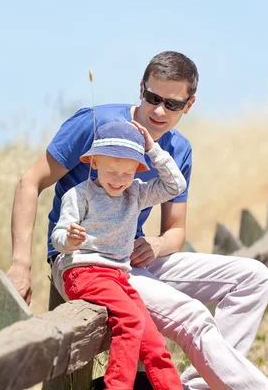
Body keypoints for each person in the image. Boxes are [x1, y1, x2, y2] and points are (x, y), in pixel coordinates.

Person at [5, 51, 268, 389]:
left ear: (189, 105)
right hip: (83, 262)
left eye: (172, 104)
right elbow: (30, 182)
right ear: (141, 88)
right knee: (191, 315)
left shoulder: (178, 150)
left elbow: (175, 231)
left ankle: (202, 385)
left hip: (130, 258)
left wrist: (155, 245)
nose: (159, 110)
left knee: (255, 277)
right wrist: (20, 264)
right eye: (152, 97)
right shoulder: (94, 124)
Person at [51, 119, 184, 389]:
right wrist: (70, 239)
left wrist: (152, 148)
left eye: (126, 173)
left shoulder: (135, 192)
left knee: (154, 342)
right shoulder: (78, 196)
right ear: (94, 162)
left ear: (136, 169)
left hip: (119, 278)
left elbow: (175, 185)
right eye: (112, 171)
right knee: (131, 320)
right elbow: (58, 237)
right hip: (84, 272)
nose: (118, 180)